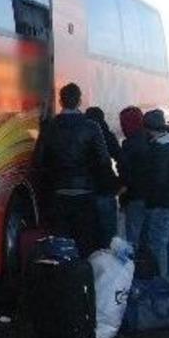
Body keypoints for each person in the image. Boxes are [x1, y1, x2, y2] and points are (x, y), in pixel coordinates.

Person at [35, 82, 115, 256]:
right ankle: (84, 279)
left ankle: (64, 279)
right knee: (86, 242)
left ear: (60, 101)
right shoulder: (91, 126)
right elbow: (103, 161)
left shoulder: (49, 127)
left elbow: (39, 161)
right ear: (79, 101)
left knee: (62, 244)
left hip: (58, 192)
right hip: (85, 192)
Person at [140, 109, 169, 285]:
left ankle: (163, 282)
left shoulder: (159, 148)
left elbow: (158, 179)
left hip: (162, 203)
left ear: (148, 128)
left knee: (159, 243)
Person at [85, 106, 120, 249]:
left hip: (87, 189)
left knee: (90, 230)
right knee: (109, 233)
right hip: (106, 189)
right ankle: (108, 263)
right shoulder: (108, 135)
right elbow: (120, 158)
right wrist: (120, 183)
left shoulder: (83, 134)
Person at [118, 106, 149, 249]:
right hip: (153, 196)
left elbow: (125, 171)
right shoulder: (151, 139)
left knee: (133, 237)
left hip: (135, 196)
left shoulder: (129, 144)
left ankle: (135, 268)